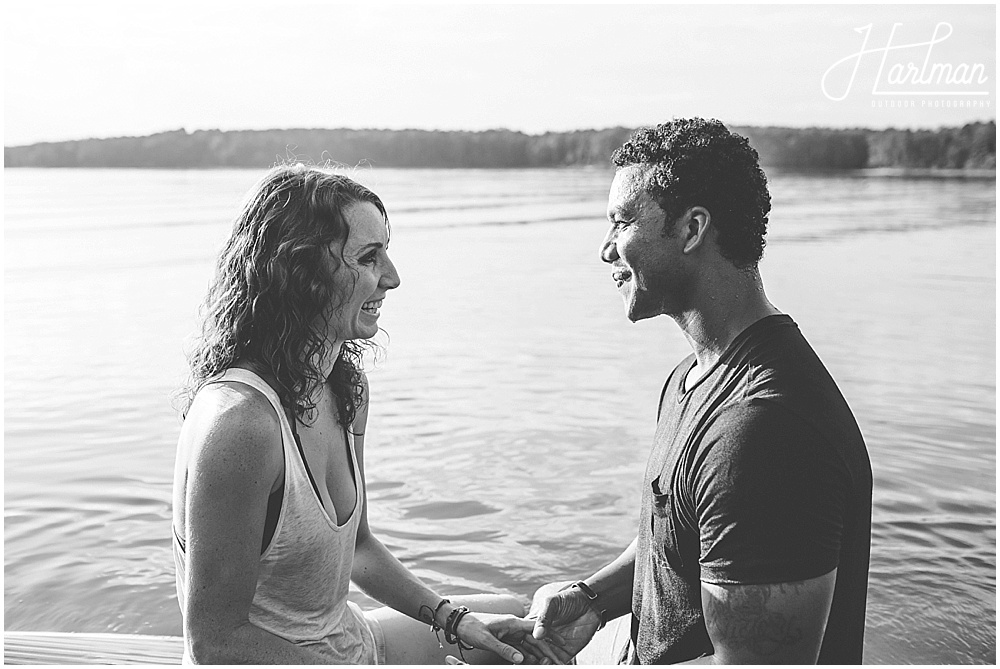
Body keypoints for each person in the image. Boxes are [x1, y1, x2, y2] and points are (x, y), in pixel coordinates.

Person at [526, 119, 873, 664]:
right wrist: (591, 600)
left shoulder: (764, 432)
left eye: (621, 223)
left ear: (692, 230)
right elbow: (681, 536)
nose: (605, 251)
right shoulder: (692, 379)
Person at [171, 164, 549, 664]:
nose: (392, 277)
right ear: (300, 272)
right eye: (369, 258)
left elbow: (361, 549)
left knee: (512, 626)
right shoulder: (240, 423)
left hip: (350, 643)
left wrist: (456, 621)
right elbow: (215, 641)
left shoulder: (345, 388)